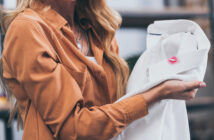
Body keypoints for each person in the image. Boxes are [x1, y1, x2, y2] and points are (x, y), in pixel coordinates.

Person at [0, 0, 206, 140]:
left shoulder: (97, 28)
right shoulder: (28, 28)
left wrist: (164, 74)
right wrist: (157, 94)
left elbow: (117, 103)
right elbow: (72, 127)